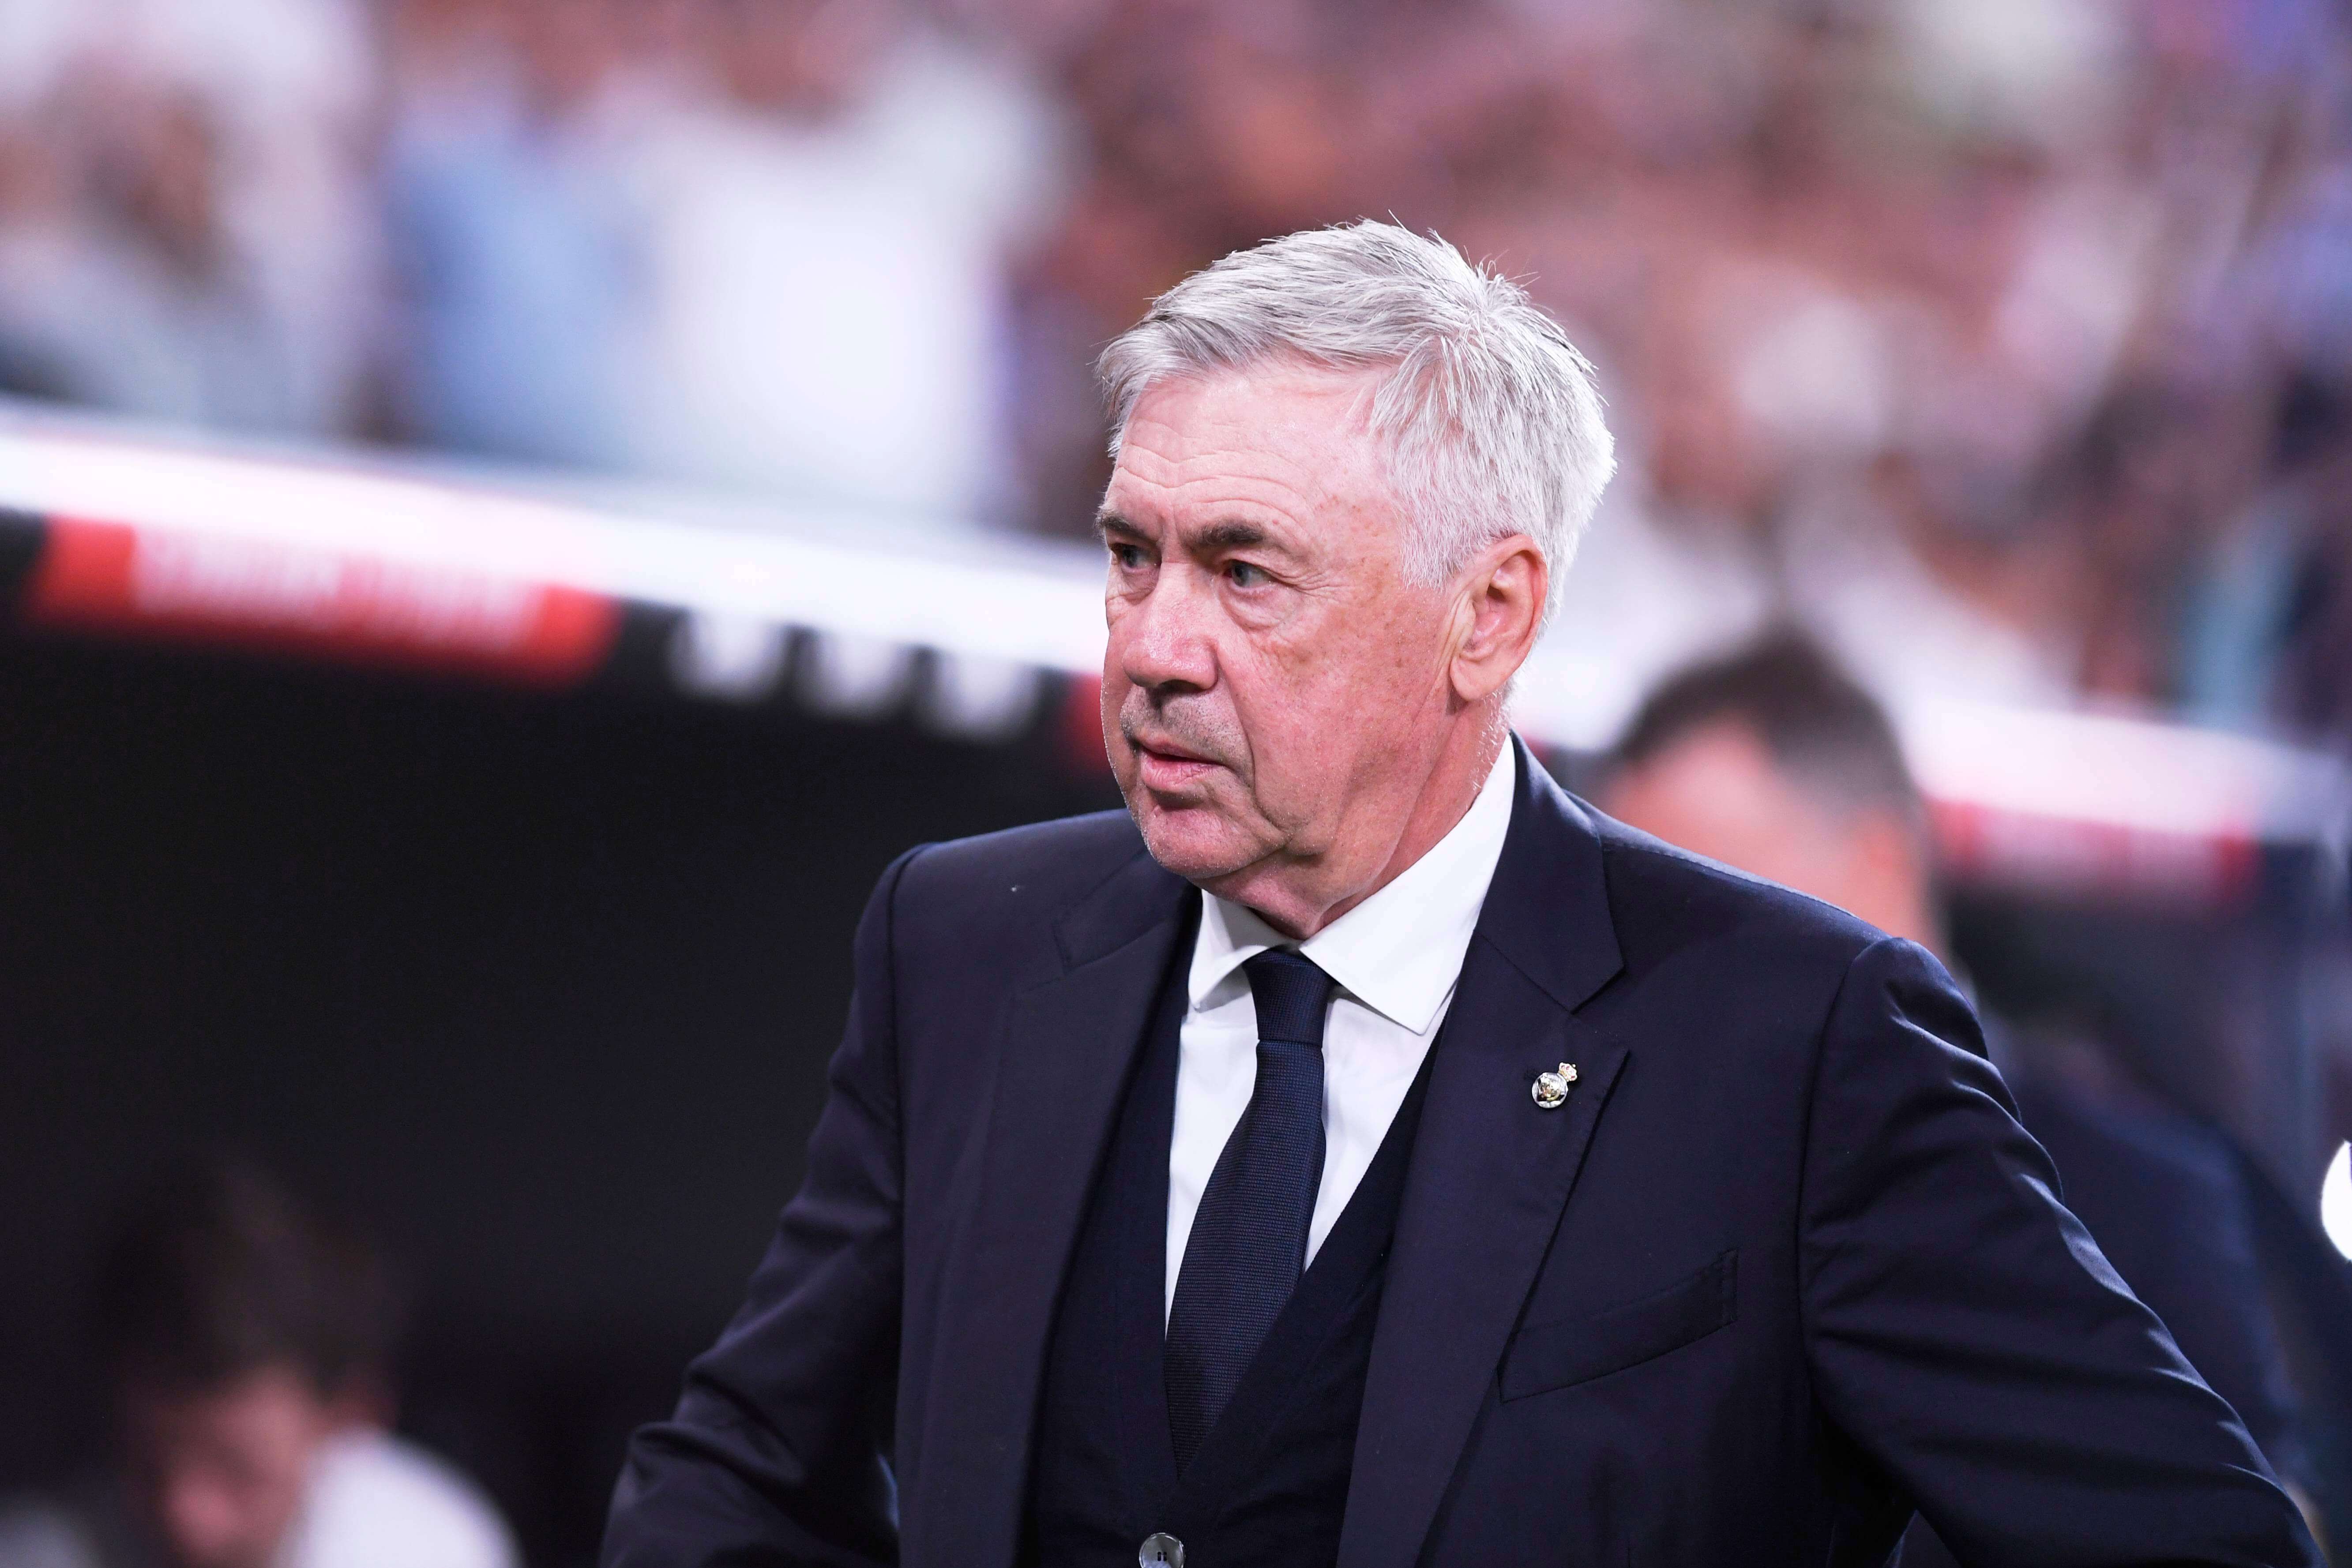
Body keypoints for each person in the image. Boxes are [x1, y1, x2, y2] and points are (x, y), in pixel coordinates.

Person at [601, 221, 2319, 1566]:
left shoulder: (1797, 1045)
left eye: (1245, 570)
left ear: (1488, 614)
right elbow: (741, 1478)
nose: (1155, 649)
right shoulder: (966, 944)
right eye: (1133, 556)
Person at [1598, 630, 2319, 1565]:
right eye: (1632, 920)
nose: (1654, 970)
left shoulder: (2140, 1195)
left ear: (1878, 864)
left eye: (1705, 903)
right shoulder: (1600, 1179)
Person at [0, 1159, 516, 1568]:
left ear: (351, 1416)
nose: (186, 1519)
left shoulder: (432, 1547)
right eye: (147, 1463)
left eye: (238, 1467)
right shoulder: (30, 1552)